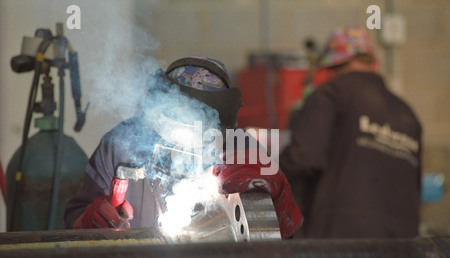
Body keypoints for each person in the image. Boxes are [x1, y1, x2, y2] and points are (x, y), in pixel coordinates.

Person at [64, 56, 302, 239]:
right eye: (168, 135)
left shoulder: (240, 149)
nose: (178, 152)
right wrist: (89, 220)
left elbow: (278, 241)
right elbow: (72, 221)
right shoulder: (120, 144)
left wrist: (278, 202)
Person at [279, 26, 422, 238]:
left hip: (342, 240)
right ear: (374, 63)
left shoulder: (332, 93)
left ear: (332, 66)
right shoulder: (408, 113)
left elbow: (303, 158)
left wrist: (269, 177)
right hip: (403, 245)